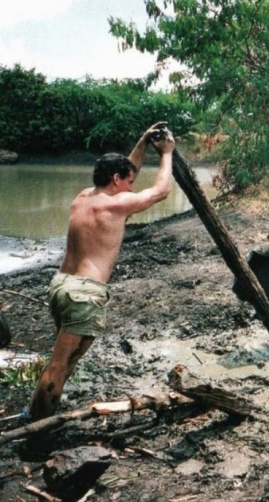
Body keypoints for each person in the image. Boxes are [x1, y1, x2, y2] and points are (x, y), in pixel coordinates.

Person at [25, 122, 175, 420]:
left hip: (61, 285)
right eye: (129, 181)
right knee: (59, 363)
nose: (131, 187)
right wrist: (167, 154)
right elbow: (161, 191)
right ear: (116, 179)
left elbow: (126, 169)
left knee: (68, 359)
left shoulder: (83, 197)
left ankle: (42, 412)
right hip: (83, 293)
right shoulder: (115, 206)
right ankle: (33, 424)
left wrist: (144, 140)